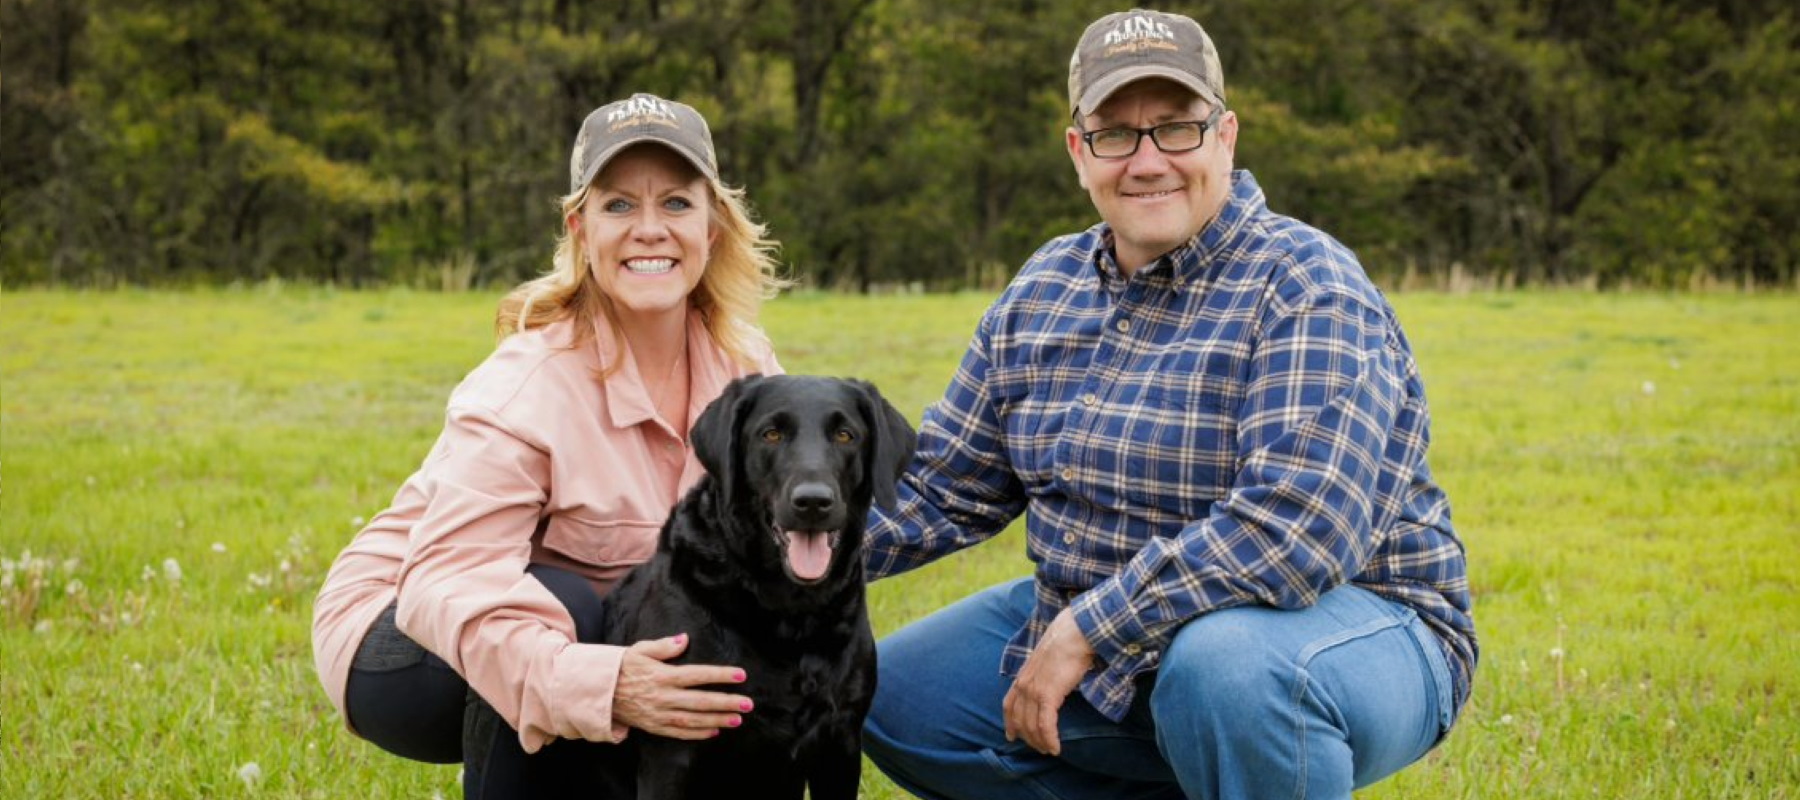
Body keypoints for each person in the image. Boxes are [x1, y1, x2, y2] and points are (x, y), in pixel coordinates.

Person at [860, 9, 1477, 800]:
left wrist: (1087, 628)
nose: (1147, 161)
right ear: (1078, 152)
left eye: (1176, 129)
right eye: (1116, 134)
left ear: (1225, 136)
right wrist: (741, 552)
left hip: (1348, 626)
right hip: (1108, 620)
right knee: (897, 697)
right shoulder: (1044, 288)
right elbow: (941, 488)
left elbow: (1297, 533)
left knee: (1227, 671)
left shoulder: (1305, 283)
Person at [311, 92, 789, 798]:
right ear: (580, 229)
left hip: (599, 626)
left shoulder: (747, 368)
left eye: (677, 205)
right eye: (619, 205)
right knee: (563, 609)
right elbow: (450, 583)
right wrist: (604, 684)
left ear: (713, 227)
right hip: (407, 631)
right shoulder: (526, 384)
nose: (649, 230)